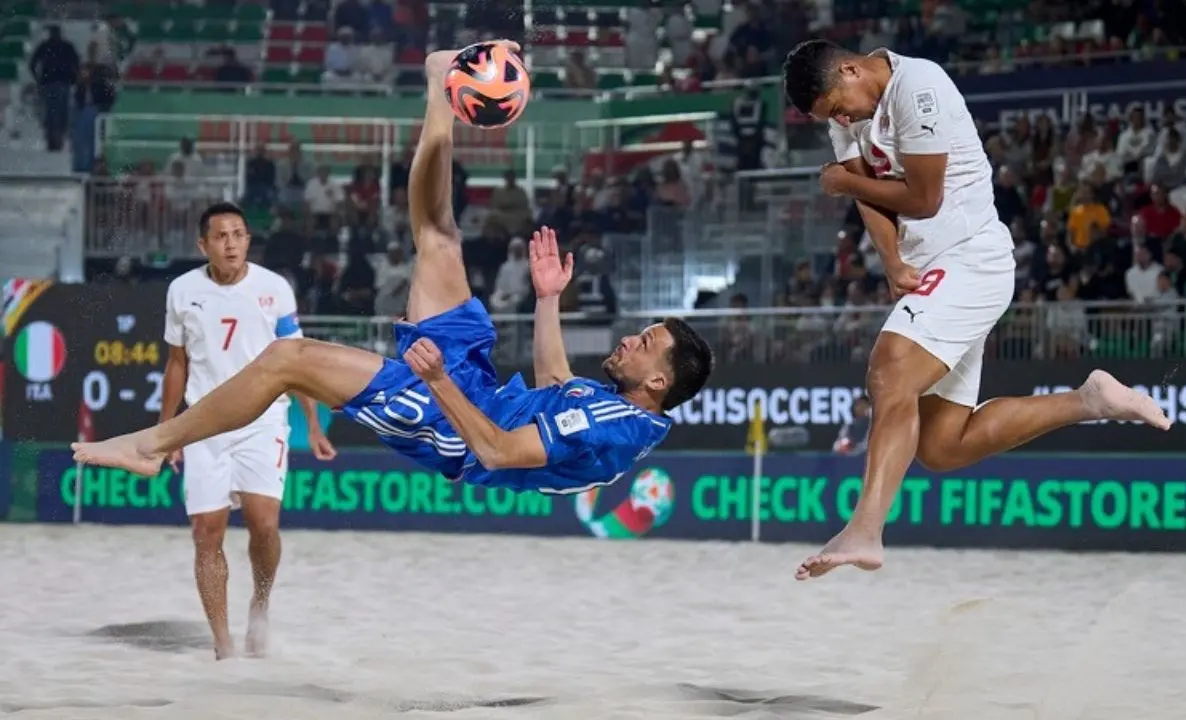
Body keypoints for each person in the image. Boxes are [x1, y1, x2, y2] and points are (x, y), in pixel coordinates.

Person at [72, 42, 713, 506]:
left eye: (646, 343)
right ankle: (441, 82)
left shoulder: (619, 426)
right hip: (478, 392)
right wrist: (548, 301)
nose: (631, 339)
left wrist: (437, 381)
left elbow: (495, 451)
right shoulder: (613, 403)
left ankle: (153, 446)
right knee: (438, 238)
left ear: (658, 380)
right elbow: (553, 382)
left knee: (286, 358)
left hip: (458, 430)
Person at [780, 40, 1172, 578]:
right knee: (943, 445)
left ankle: (866, 528)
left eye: (838, 107)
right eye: (832, 117)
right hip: (937, 271)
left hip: (972, 257)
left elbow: (922, 200)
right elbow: (869, 197)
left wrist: (843, 179)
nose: (841, 118)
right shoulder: (848, 112)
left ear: (849, 69)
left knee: (890, 370)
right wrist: (892, 261)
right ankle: (1089, 399)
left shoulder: (920, 87)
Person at [160, 201, 337, 660]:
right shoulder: (182, 291)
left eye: (239, 234)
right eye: (221, 236)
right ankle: (223, 646)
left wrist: (314, 426)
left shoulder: (274, 289)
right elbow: (176, 364)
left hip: (263, 421)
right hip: (203, 424)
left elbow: (298, 364)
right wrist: (168, 431)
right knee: (206, 532)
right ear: (204, 245)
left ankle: (260, 603)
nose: (232, 243)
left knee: (264, 525)